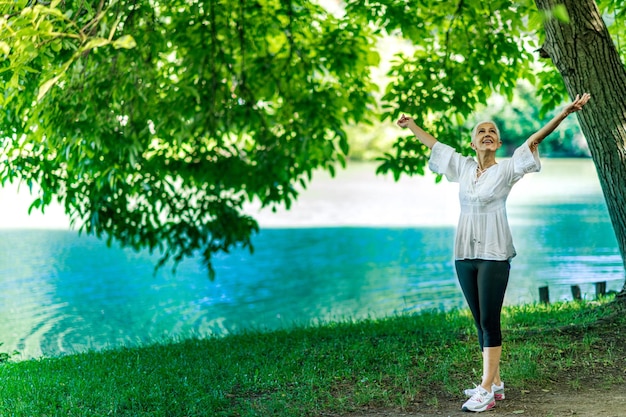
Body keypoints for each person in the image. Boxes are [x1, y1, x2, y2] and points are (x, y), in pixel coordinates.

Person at [396, 92, 591, 413]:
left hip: (494, 253)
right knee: (479, 320)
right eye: (481, 132)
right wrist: (411, 125)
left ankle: (486, 389)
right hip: (463, 253)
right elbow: (434, 145)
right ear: (473, 143)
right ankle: (496, 382)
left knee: (490, 319)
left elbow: (534, 138)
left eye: (492, 133)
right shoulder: (462, 167)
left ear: (498, 143)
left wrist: (565, 113)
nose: (487, 134)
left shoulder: (508, 170)